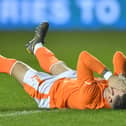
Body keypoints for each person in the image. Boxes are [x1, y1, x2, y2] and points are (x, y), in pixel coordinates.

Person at [0, 22, 126, 110]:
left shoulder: (90, 97)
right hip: (73, 83)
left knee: (14, 65)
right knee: (57, 65)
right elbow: (119, 56)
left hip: (51, 92)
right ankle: (36, 46)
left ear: (110, 98)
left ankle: (35, 47)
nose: (119, 86)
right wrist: (121, 75)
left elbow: (84, 57)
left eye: (119, 89)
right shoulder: (113, 90)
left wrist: (109, 76)